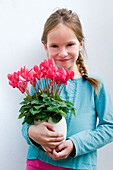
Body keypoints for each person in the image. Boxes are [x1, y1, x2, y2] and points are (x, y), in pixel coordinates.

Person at [22, 8, 113, 170]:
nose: (62, 53)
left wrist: (75, 144)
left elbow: (110, 127)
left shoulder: (95, 86)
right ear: (45, 46)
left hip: (80, 164)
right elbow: (26, 124)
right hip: (39, 162)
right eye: (55, 46)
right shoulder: (40, 83)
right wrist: (31, 132)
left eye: (70, 44)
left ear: (81, 43)